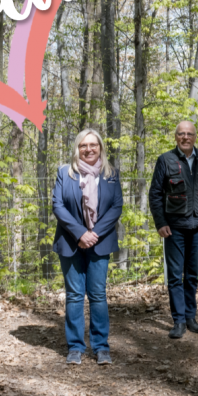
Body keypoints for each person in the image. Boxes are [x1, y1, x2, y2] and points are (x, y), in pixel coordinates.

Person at [52, 128, 124, 365]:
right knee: (74, 295)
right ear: (77, 148)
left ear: (100, 147)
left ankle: (101, 346)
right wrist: (80, 233)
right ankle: (75, 347)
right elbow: (58, 206)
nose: (89, 149)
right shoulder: (65, 173)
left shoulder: (111, 174)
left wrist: (94, 234)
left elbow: (116, 206)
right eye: (83, 145)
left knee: (97, 294)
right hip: (70, 242)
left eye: (93, 145)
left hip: (99, 243)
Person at [148, 120, 198, 339]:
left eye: (189, 134)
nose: (185, 137)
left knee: (193, 274)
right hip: (174, 227)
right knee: (175, 276)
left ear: (195, 136)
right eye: (181, 134)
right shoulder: (165, 160)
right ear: (175, 137)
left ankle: (190, 317)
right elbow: (155, 193)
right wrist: (161, 223)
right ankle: (178, 321)